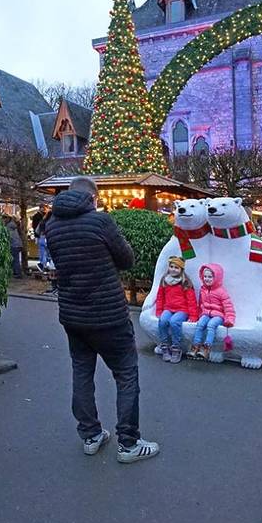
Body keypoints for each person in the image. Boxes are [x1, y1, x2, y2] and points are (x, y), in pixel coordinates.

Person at [44, 176, 159, 463]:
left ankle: (91, 434)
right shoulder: (100, 222)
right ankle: (129, 443)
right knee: (126, 374)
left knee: (82, 373)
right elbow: (127, 260)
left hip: (72, 314)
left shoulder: (52, 225)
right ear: (93, 198)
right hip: (109, 315)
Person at [155, 256, 197, 364]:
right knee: (163, 321)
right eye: (171, 266)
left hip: (182, 310)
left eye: (176, 268)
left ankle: (176, 348)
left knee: (174, 322)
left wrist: (193, 315)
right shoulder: (165, 280)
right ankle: (164, 346)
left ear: (181, 269)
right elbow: (160, 297)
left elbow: (191, 300)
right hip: (168, 308)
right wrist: (159, 310)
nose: (173, 269)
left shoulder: (185, 282)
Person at [191, 263, 235, 360]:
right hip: (206, 313)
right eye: (205, 276)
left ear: (216, 278)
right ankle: (196, 346)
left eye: (210, 277)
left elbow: (228, 306)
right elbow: (200, 303)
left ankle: (206, 348)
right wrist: (197, 315)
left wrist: (230, 319)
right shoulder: (203, 290)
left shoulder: (221, 291)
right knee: (200, 324)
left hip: (218, 315)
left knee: (211, 325)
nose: (207, 279)